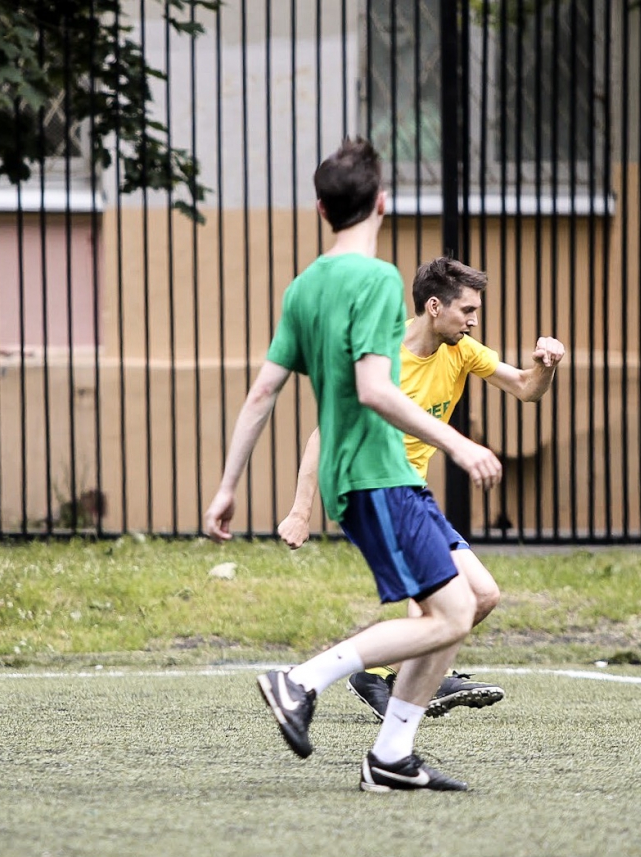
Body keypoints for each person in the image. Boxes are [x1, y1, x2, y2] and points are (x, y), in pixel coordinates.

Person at [203, 138, 503, 791]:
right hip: (375, 473)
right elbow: (375, 389)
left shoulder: (304, 287)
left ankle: (392, 756)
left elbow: (262, 394)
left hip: (368, 477)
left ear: (319, 209)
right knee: (448, 616)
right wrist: (458, 443)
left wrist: (228, 487)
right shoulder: (375, 279)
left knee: (475, 596)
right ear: (382, 203)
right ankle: (302, 680)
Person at [276, 256, 567, 722]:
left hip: (411, 494)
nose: (474, 321)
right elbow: (323, 434)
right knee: (441, 607)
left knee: (482, 596)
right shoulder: (382, 357)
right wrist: (300, 509)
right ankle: (330, 682)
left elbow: (526, 389)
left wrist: (546, 365)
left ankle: (392, 681)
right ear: (434, 306)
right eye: (467, 310)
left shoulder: (462, 350)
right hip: (370, 489)